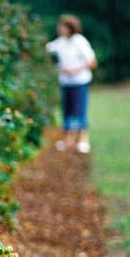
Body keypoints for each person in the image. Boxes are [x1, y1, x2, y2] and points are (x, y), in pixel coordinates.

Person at [46, 14, 97, 153]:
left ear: (70, 28)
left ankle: (83, 140)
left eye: (62, 26)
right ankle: (68, 140)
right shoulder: (60, 42)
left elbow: (92, 62)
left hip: (80, 82)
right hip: (65, 83)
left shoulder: (79, 41)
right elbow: (46, 49)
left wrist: (74, 70)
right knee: (67, 111)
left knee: (79, 110)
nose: (59, 29)